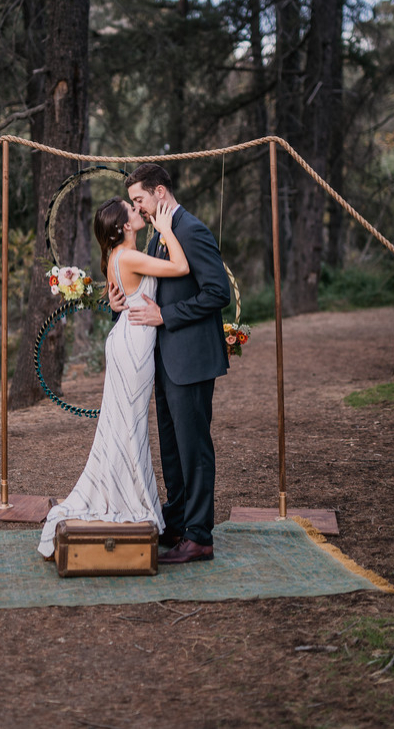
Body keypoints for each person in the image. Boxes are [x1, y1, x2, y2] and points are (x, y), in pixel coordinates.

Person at [38, 196, 187, 558]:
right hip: (133, 348)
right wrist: (166, 229)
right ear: (123, 226)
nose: (140, 211)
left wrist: (115, 299)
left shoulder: (115, 259)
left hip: (126, 340)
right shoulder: (129, 255)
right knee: (129, 427)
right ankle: (128, 502)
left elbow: (122, 293)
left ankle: (127, 494)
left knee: (125, 426)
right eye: (133, 210)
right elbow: (181, 267)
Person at [109, 163, 231, 565]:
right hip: (165, 361)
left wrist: (167, 316)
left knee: (194, 449)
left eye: (139, 199)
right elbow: (149, 289)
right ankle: (176, 521)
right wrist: (120, 306)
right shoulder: (161, 237)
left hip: (191, 360)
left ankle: (199, 537)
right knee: (173, 449)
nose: (137, 208)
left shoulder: (191, 230)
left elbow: (218, 293)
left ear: (160, 192)